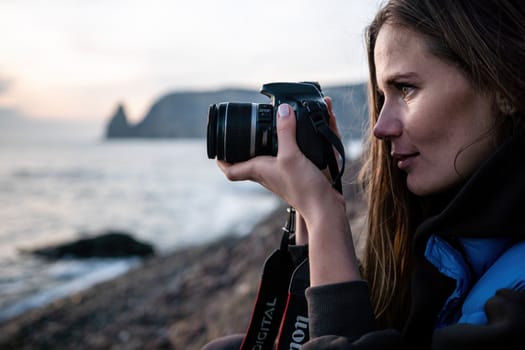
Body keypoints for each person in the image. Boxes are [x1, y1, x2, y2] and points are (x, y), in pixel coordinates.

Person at [203, 0, 525, 348]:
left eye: (405, 89)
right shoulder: (454, 234)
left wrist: (324, 211)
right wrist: (313, 203)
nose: (381, 128)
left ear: (503, 87)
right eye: (382, 97)